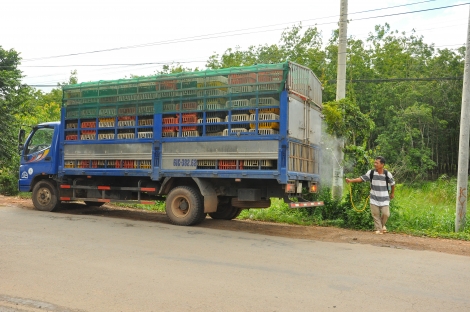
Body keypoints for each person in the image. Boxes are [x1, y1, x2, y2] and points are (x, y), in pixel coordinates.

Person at [345, 156, 395, 234]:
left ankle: (381, 226)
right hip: (374, 198)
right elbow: (361, 179)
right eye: (374, 162)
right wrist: (351, 180)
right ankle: (379, 229)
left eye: (377, 163)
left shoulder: (387, 174)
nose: (375, 164)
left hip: (384, 198)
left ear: (382, 164)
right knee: (376, 215)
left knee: (386, 214)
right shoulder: (371, 173)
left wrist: (392, 193)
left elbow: (393, 184)